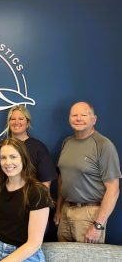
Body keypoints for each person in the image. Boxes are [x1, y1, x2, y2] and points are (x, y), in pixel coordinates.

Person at [54, 101, 121, 243]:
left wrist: (98, 224)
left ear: (93, 119)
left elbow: (113, 189)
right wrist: (59, 209)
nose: (78, 118)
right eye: (74, 115)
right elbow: (62, 178)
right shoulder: (67, 142)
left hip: (90, 215)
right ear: (69, 118)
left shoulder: (103, 145)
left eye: (84, 115)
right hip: (66, 211)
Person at [0, 138, 53, 262]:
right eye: (3, 158)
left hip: (26, 255)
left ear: (23, 158)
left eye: (13, 157)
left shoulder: (38, 192)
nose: (7, 162)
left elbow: (34, 243)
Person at [0, 105, 57, 188]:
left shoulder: (39, 148)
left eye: (20, 119)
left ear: (27, 123)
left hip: (30, 199)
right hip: (3, 198)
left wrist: (38, 200)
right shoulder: (1, 146)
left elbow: (45, 183)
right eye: (13, 119)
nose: (16, 122)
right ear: (9, 122)